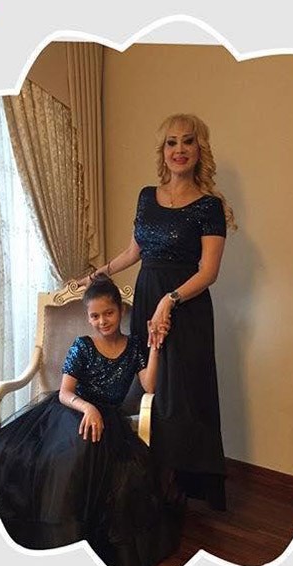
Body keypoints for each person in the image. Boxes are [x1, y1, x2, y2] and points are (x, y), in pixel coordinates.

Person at [0, 275, 184, 566]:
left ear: (120, 311)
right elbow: (65, 393)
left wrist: (154, 347)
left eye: (108, 313)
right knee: (65, 450)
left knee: (111, 461)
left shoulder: (134, 347)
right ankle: (50, 540)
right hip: (72, 410)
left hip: (109, 419)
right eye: (95, 316)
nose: (102, 321)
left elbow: (150, 385)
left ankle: (79, 542)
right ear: (88, 317)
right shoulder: (83, 346)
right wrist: (88, 408)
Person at [81, 113, 235, 511]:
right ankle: (146, 482)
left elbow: (209, 272)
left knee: (182, 396)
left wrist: (170, 300)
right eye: (171, 142)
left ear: (200, 150)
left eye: (188, 141)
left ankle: (179, 487)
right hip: (149, 296)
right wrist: (97, 275)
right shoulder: (146, 197)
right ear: (163, 151)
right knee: (150, 386)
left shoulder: (210, 206)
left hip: (187, 306)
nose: (179, 149)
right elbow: (134, 252)